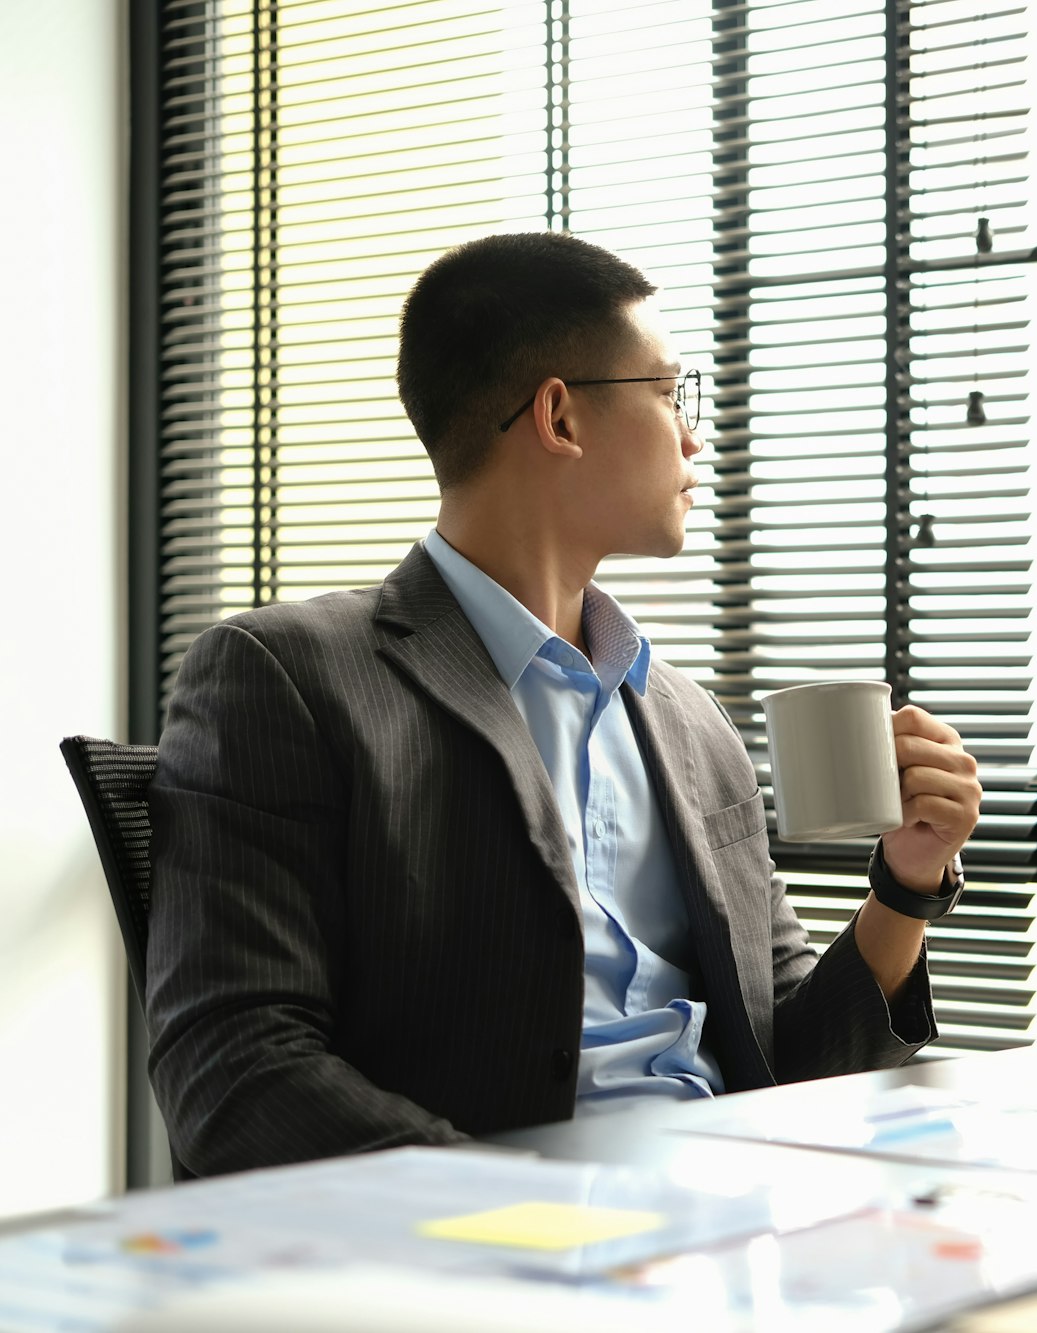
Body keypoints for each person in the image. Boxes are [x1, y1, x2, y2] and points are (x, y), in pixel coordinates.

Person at [144, 232, 981, 1177]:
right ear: (560, 416)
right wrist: (529, 1219)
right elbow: (231, 1071)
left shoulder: (686, 721)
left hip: (727, 1225)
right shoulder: (285, 677)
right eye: (670, 395)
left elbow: (785, 1059)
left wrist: (905, 885)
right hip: (486, 1257)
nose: (694, 435)